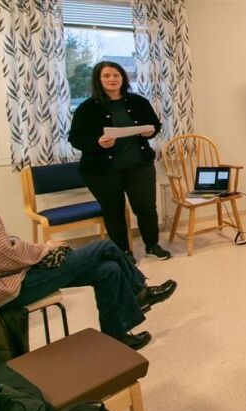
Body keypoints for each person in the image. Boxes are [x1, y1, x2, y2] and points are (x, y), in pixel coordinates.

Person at [0, 206, 178, 350]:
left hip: (12, 279)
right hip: (12, 286)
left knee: (108, 270)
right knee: (104, 247)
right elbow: (7, 256)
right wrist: (45, 248)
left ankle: (117, 337)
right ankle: (140, 292)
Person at [68, 61, 171, 262]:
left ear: (123, 78)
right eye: (106, 76)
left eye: (116, 75)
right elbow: (76, 138)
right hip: (102, 170)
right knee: (113, 210)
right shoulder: (87, 108)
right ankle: (123, 252)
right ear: (98, 80)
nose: (112, 79)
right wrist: (98, 142)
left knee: (146, 208)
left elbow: (154, 125)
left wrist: (151, 131)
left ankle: (152, 245)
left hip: (138, 165)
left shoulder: (138, 102)